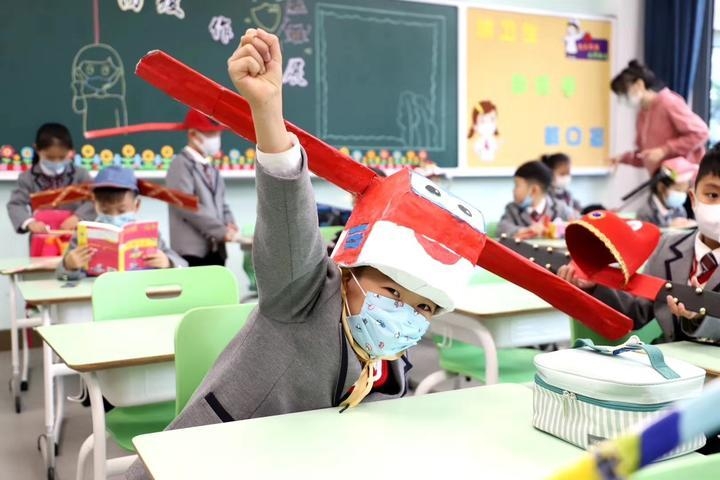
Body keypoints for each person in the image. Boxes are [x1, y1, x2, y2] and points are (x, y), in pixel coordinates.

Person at [126, 27, 471, 479]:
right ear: (350, 272)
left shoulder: (389, 352)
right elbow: (290, 218)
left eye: (421, 306)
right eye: (390, 291)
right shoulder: (303, 294)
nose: (402, 313)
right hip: (216, 461)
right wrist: (267, 111)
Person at [559, 145, 720, 343]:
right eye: (713, 195)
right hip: (668, 364)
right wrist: (594, 287)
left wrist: (702, 319)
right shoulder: (667, 248)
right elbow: (636, 312)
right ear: (693, 199)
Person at [57, 166, 186, 280]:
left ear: (137, 205)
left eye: (122, 210)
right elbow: (60, 274)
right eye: (105, 210)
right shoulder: (83, 236)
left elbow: (183, 264)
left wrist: (168, 262)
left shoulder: (150, 236)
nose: (114, 216)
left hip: (139, 297)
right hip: (98, 299)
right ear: (94, 205)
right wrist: (69, 265)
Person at [610, 60, 708, 175]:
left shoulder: (668, 102)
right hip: (663, 182)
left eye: (624, 92)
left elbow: (701, 133)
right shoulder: (642, 115)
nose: (623, 98)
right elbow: (646, 155)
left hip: (685, 180)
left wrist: (664, 150)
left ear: (639, 85)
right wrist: (623, 158)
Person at [166, 110, 237, 266]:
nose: (216, 139)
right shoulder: (180, 164)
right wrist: (221, 231)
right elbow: (186, 205)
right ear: (193, 135)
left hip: (216, 249)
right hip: (192, 252)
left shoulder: (211, 168)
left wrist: (229, 223)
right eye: (211, 134)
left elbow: (222, 203)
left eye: (218, 134)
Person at [7, 123, 95, 235]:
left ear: (70, 152)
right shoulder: (27, 178)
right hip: (42, 237)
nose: (56, 162)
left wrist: (79, 217)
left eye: (62, 157)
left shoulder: (81, 174)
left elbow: (94, 199)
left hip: (74, 236)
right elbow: (16, 204)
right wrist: (30, 223)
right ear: (37, 149)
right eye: (50, 158)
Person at [498, 160, 577, 239]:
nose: (514, 190)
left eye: (517, 185)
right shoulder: (512, 209)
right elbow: (502, 228)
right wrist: (526, 230)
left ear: (534, 190)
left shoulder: (560, 208)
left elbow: (576, 224)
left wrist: (557, 228)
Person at [635, 157, 697, 229]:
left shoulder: (679, 209)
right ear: (661, 187)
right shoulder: (645, 214)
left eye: (684, 191)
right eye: (678, 189)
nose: (682, 195)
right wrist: (669, 229)